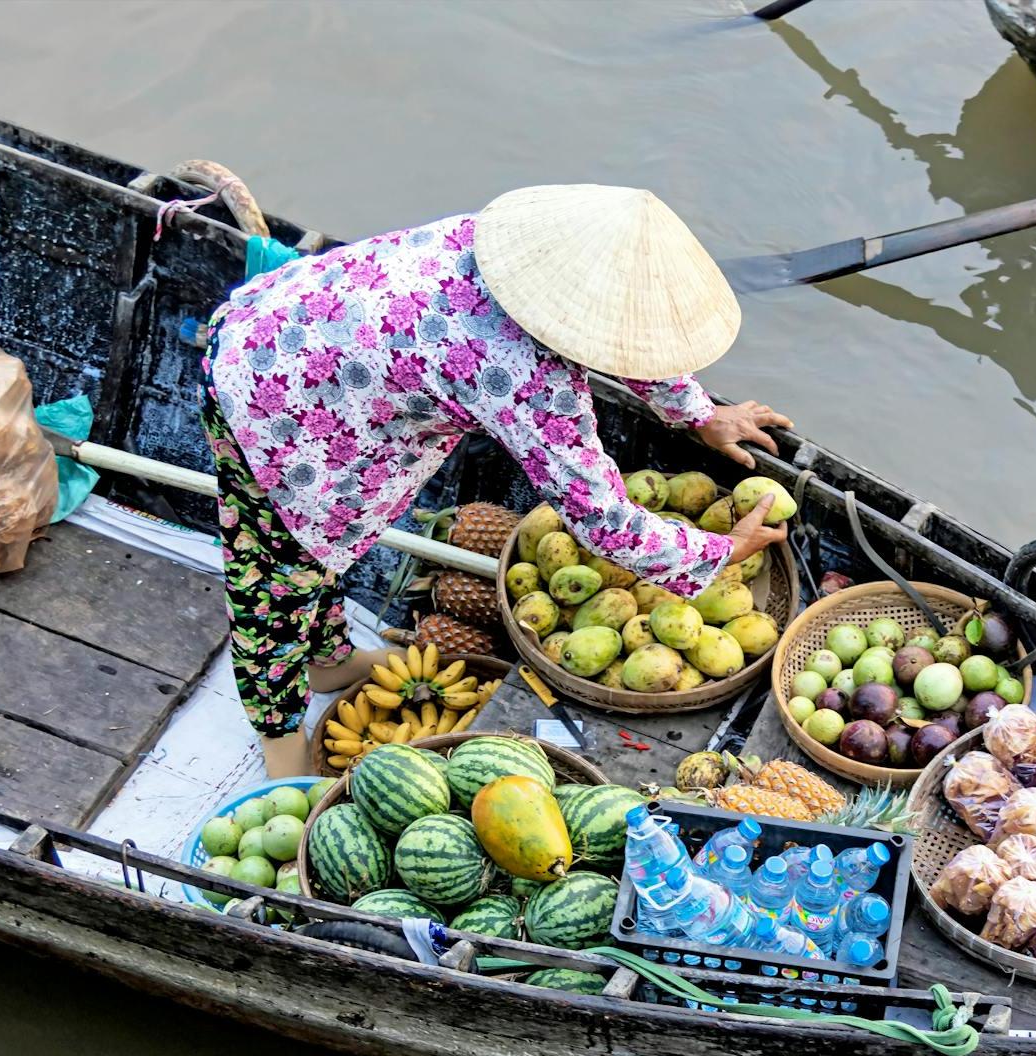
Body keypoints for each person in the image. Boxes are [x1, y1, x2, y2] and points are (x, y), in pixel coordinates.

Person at [197, 184, 792, 776]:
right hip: (272, 409)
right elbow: (604, 520)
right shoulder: (522, 376)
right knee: (275, 584)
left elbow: (627, 340)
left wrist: (700, 413)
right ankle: (277, 742)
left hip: (299, 336)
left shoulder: (497, 247)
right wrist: (717, 552)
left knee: (313, 551)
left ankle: (328, 659)